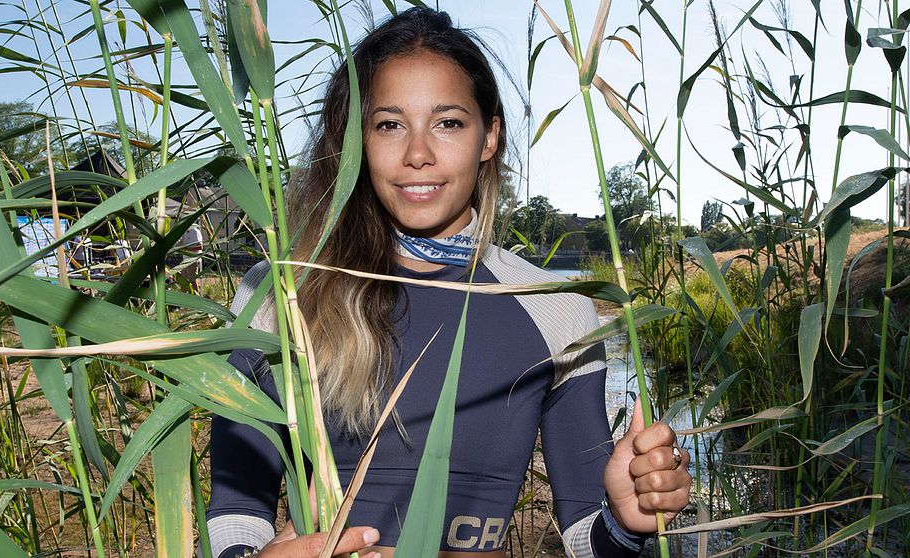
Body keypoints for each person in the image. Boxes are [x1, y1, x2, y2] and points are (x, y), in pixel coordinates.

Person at [207, 8, 691, 558]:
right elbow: (235, 518)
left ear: (489, 136)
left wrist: (626, 525)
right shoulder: (280, 295)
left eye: (449, 122)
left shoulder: (558, 312)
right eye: (389, 124)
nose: (418, 154)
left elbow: (586, 537)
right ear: (355, 143)